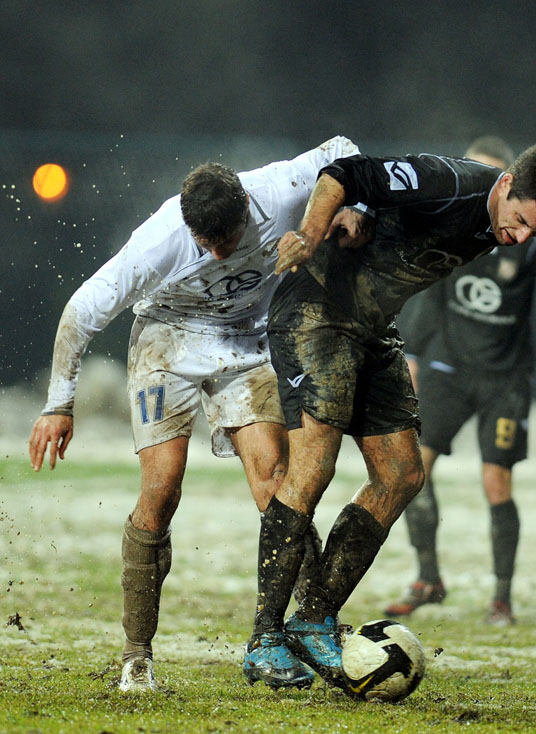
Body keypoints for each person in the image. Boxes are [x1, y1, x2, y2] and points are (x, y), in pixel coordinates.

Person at [242, 143, 536, 692]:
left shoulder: (506, 225)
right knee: (314, 466)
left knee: (402, 474)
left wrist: (366, 215)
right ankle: (264, 639)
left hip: (373, 329)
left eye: (535, 233)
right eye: (520, 221)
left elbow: (376, 209)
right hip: (317, 310)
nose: (521, 238)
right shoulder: (448, 182)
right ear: (506, 183)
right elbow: (344, 172)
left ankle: (313, 618)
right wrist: (310, 233)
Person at [28, 135, 360, 693]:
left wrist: (352, 208)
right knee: (162, 487)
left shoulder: (280, 189)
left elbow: (344, 152)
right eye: (207, 244)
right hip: (167, 341)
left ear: (246, 207)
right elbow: (81, 312)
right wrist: (58, 405)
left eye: (227, 240)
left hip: (245, 341)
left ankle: (309, 627)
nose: (218, 255)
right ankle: (137, 656)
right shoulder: (158, 242)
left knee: (277, 481)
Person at [382, 137, 536, 625]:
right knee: (412, 472)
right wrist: (413, 353)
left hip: (504, 378)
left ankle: (502, 599)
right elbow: (429, 291)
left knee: (496, 481)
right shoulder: (457, 224)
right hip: (448, 370)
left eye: (489, 175)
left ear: (510, 182)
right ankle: (427, 579)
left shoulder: (535, 237)